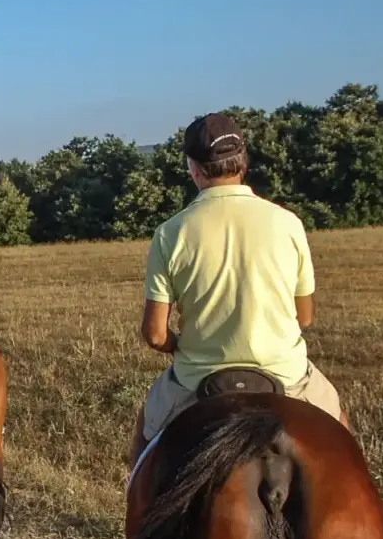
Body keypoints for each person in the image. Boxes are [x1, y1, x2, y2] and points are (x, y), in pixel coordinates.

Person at [130, 111, 349, 469]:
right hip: (286, 374)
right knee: (342, 437)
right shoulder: (287, 222)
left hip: (199, 379)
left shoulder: (171, 233)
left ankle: (138, 523)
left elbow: (154, 334)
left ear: (193, 168)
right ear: (243, 162)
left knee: (145, 441)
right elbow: (305, 317)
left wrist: (178, 345)